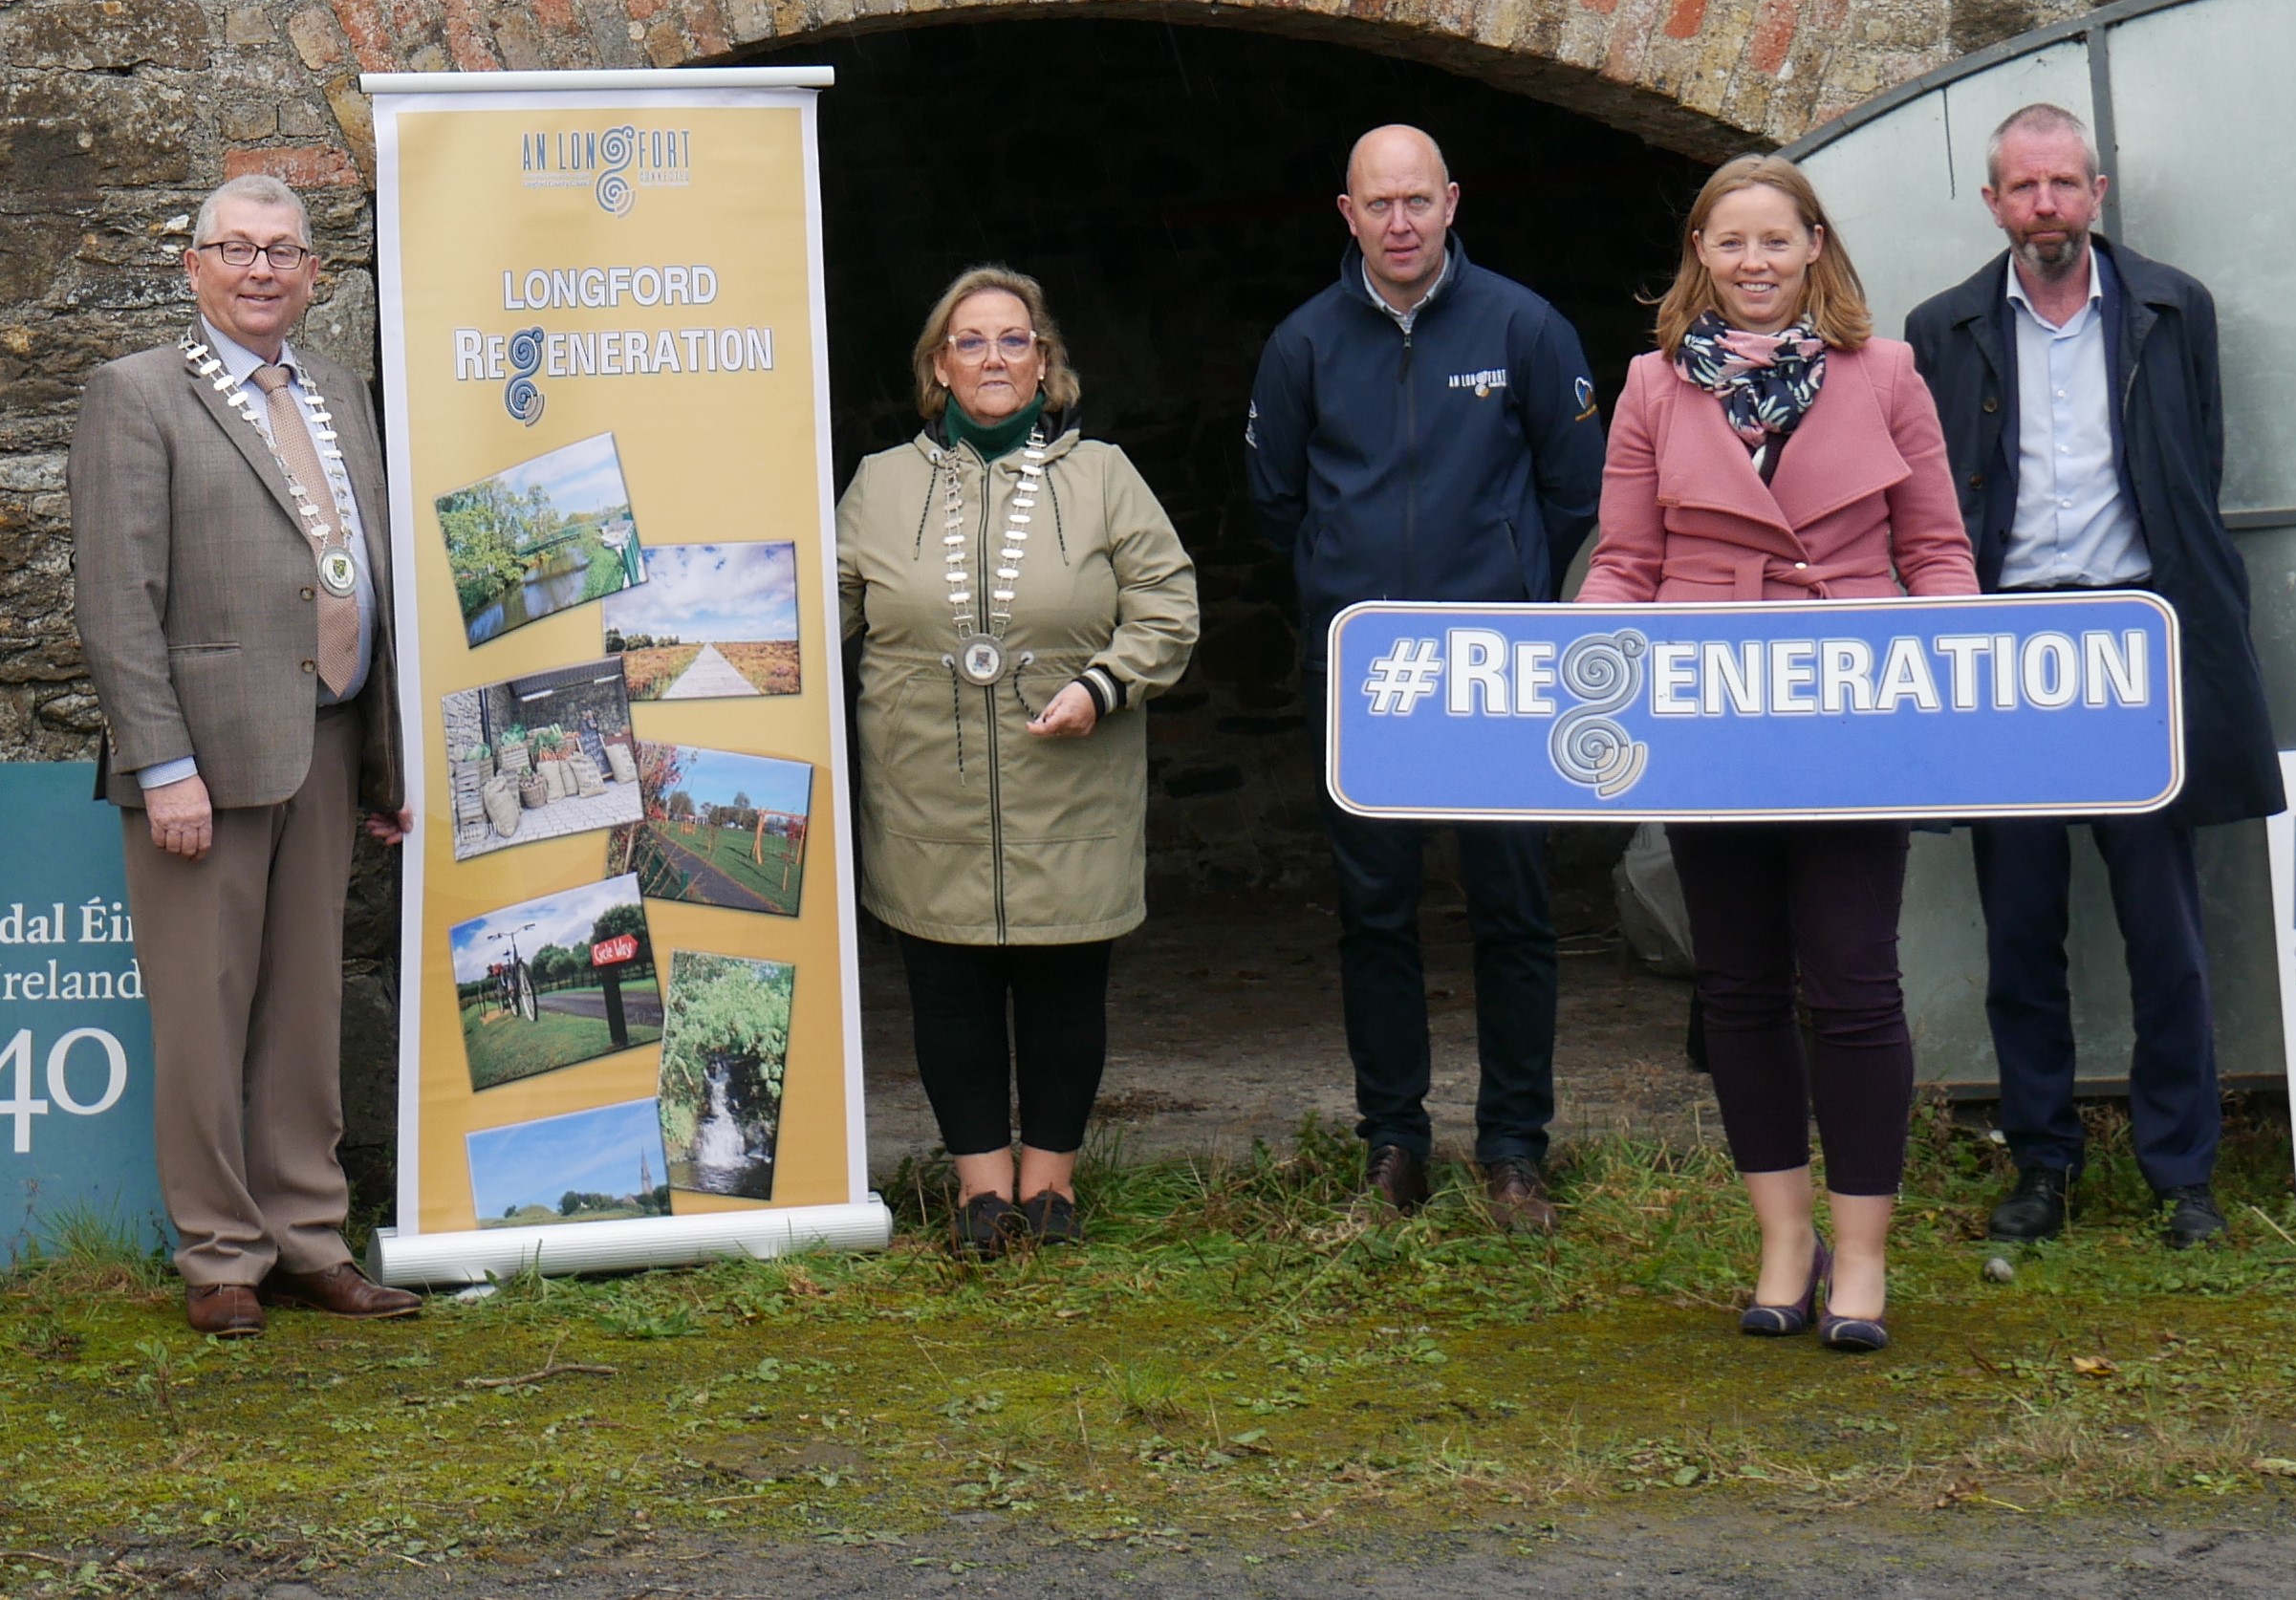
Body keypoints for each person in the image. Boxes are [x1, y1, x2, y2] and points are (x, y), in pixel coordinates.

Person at [1584, 154, 1974, 1352]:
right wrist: (1593, 662)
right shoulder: (1650, 385)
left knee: (1853, 981)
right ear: (1699, 255)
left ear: (1813, 246)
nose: (1753, 262)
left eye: (1774, 239)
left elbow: (1937, 553)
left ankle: (1861, 1256)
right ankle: (1780, 1243)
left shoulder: (1887, 372)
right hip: (1708, 721)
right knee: (1738, 986)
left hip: (1852, 713)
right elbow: (1623, 563)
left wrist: (1953, 675)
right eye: (1730, 241)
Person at [1903, 106, 2285, 1252]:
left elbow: (2191, 471)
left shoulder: (2171, 308)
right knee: (2019, 928)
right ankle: (2041, 1166)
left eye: (2063, 183)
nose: (2045, 206)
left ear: (2097, 191)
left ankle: (2182, 1175)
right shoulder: (1941, 328)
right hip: (2006, 646)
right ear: (1991, 202)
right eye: (2023, 188)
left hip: (2135, 639)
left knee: (2163, 928)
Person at [68, 174, 419, 1338]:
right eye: (236, 248)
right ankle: (220, 1254)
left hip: (327, 738)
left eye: (282, 251)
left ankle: (309, 1237)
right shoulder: (136, 394)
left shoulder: (340, 392)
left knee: (305, 1010)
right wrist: (161, 764)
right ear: (193, 266)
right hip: (203, 764)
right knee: (204, 1014)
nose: (260, 269)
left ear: (314, 273)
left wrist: (384, 759)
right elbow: (117, 599)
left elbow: (369, 571)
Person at [1244, 125, 1604, 1231]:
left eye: (1415, 200)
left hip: (1497, 669)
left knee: (1514, 909)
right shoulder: (1303, 343)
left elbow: (1576, 491)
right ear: (1344, 215)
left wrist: (1507, 583)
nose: (1398, 223)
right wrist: (1345, 586)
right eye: (1377, 204)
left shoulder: (1523, 326)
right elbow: (1275, 502)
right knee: (1374, 912)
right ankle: (1393, 1144)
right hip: (1368, 675)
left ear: (1450, 200)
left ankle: (1513, 1150)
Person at [839, 267, 1200, 1257]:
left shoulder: (1105, 477)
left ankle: (1050, 1189)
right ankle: (979, 1195)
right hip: (926, 791)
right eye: (970, 341)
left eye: (1013, 339)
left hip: (1070, 789)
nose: (992, 357)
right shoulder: (879, 484)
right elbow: (820, 612)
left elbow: (1168, 608)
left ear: (1044, 364)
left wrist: (1103, 686)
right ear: (938, 367)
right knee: (947, 993)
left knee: (1062, 994)